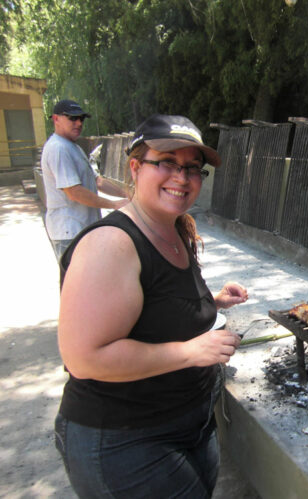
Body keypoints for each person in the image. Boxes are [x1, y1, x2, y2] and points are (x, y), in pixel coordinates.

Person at [54, 114, 249, 498]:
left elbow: (152, 307)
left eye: (192, 168)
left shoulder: (172, 228)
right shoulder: (110, 244)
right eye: (167, 163)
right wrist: (191, 351)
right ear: (135, 167)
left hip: (190, 424)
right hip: (125, 441)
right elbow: (85, 358)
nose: (182, 177)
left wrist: (211, 301)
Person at [41, 99, 129, 259]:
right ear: (56, 119)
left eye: (81, 118)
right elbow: (74, 192)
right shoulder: (58, 148)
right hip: (70, 232)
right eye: (72, 118)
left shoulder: (73, 147)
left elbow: (97, 181)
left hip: (83, 229)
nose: (79, 123)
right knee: (77, 275)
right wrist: (114, 204)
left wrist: (127, 193)